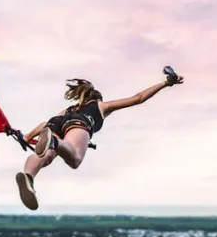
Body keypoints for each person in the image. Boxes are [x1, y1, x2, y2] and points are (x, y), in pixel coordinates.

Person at [15, 67, 184, 211]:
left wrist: (27, 136)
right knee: (74, 159)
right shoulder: (99, 105)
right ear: (96, 98)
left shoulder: (67, 109)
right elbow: (138, 98)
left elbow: (46, 123)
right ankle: (55, 142)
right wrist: (166, 83)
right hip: (78, 124)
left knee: (46, 156)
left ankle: (29, 177)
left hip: (56, 123)